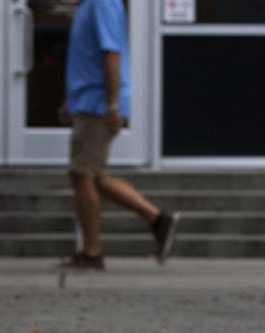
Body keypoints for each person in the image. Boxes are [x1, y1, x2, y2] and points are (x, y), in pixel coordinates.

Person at [58, 0, 178, 271]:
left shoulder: (103, 3)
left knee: (81, 175)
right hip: (88, 101)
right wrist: (72, 100)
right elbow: (86, 58)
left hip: (98, 105)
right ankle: (158, 220)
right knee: (95, 176)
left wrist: (112, 105)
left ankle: (91, 254)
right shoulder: (87, 5)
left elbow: (111, 54)